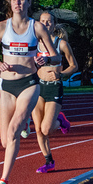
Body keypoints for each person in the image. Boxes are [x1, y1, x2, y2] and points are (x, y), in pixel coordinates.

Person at [0, 0, 61, 184]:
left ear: (28, 3)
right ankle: (24, 118)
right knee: (5, 140)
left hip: (29, 83)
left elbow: (56, 57)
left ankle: (3, 181)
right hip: (7, 87)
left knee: (13, 130)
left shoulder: (36, 28)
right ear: (10, 3)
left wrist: (45, 59)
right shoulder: (2, 27)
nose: (17, 2)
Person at [31, 11, 78, 173]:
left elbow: (74, 65)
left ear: (54, 24)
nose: (46, 24)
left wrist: (63, 74)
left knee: (46, 129)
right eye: (43, 21)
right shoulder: (34, 43)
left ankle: (60, 120)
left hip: (54, 87)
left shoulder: (61, 44)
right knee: (38, 129)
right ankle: (48, 161)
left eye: (49, 22)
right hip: (38, 87)